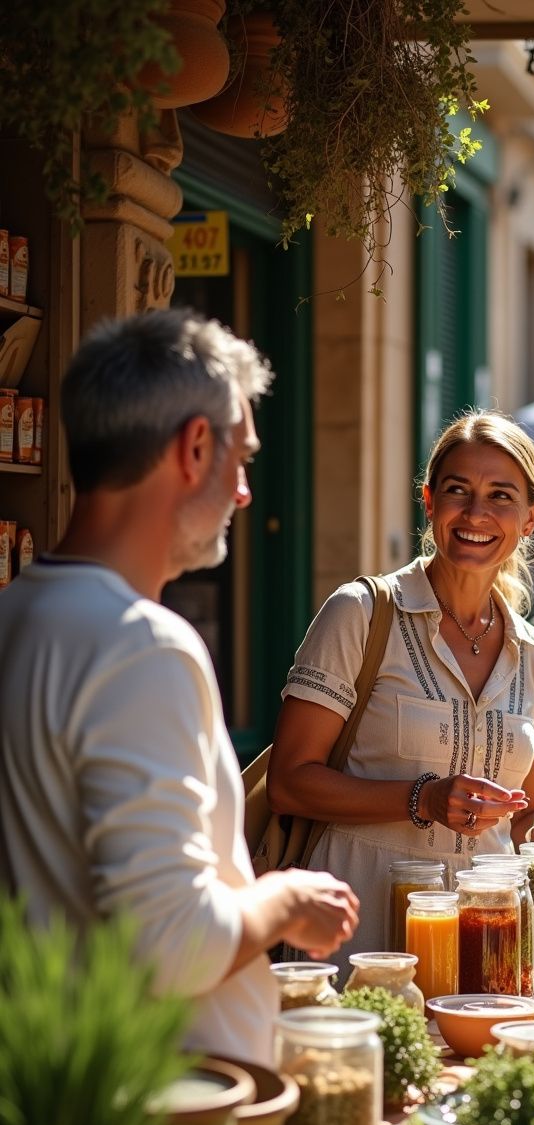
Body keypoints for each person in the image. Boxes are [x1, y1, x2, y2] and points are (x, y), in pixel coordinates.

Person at [0, 308, 359, 1065]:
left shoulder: (19, 612)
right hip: (164, 1120)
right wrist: (288, 898)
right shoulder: (141, 644)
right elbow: (172, 946)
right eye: (245, 459)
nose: (245, 494)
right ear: (196, 447)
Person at [266, 411, 534, 980]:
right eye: (458, 491)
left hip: (487, 941)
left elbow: (525, 811)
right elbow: (290, 782)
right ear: (429, 501)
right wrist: (424, 799)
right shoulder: (361, 614)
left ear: (531, 517)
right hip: (356, 935)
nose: (476, 513)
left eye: (500, 496)